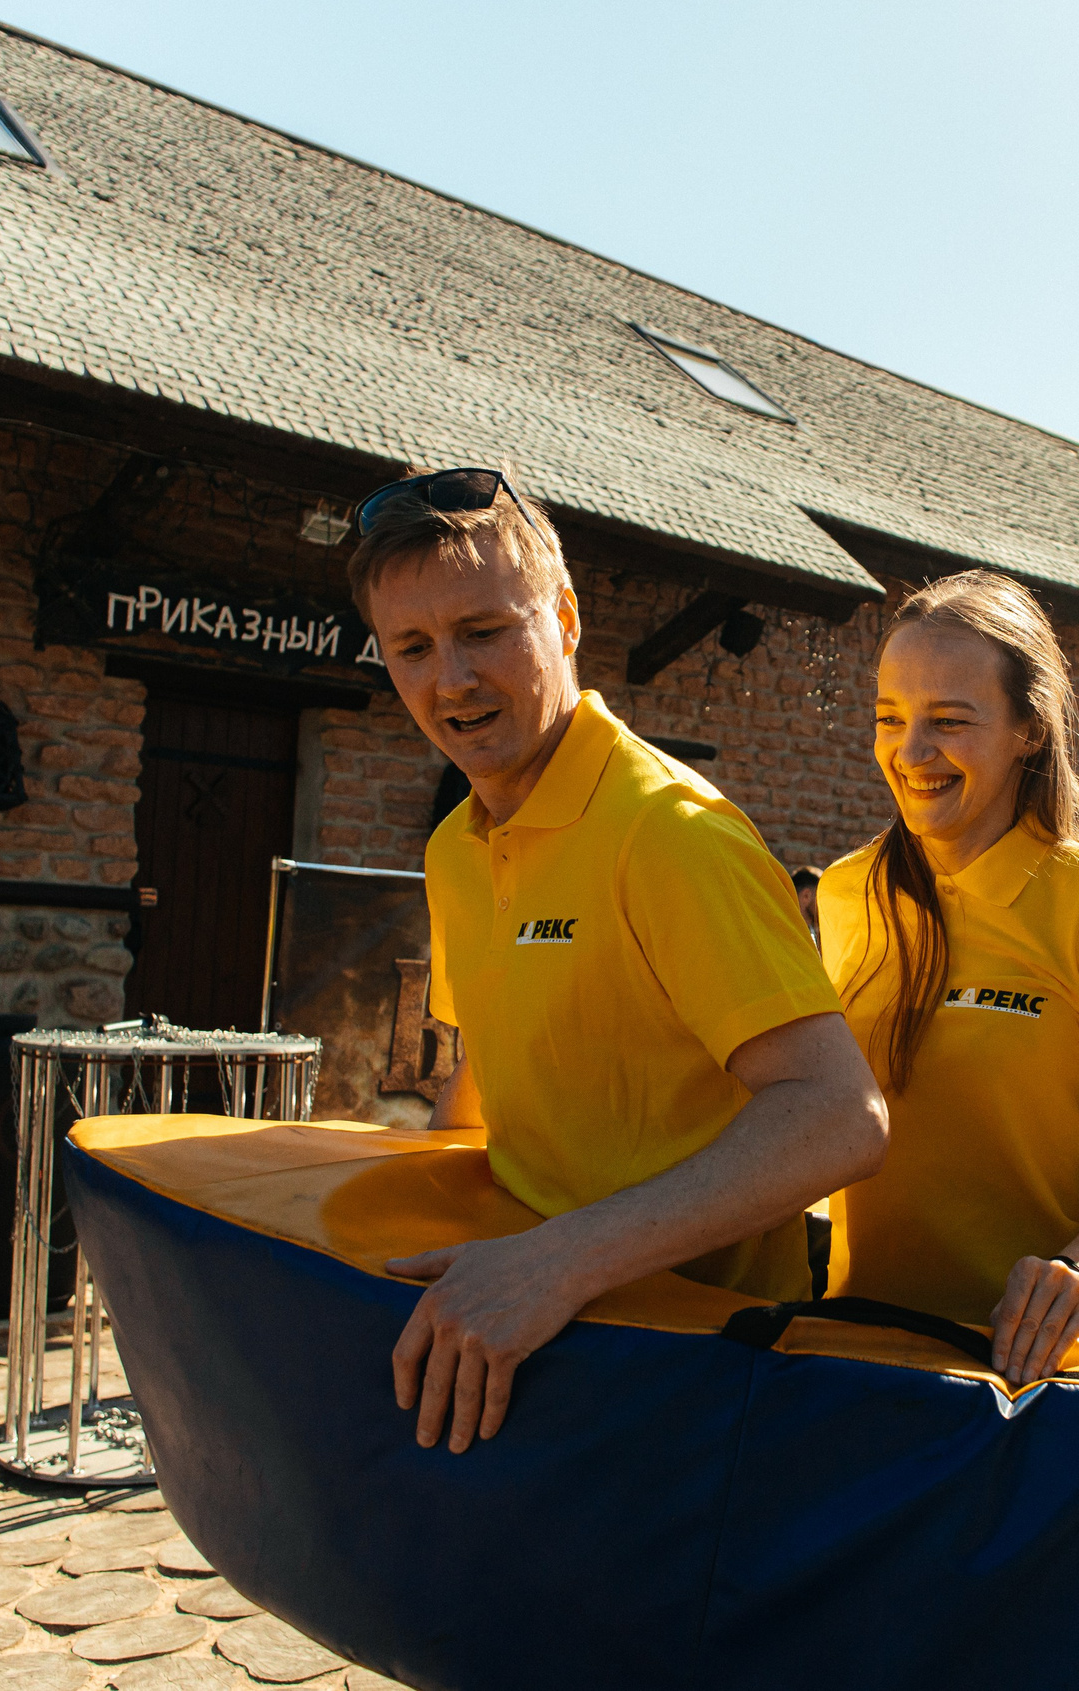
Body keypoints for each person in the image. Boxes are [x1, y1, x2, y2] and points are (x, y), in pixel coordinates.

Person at [347, 467, 888, 1454]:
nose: (451, 680)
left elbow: (839, 1118)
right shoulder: (453, 844)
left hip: (690, 1377)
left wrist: (556, 1262)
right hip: (527, 1347)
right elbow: (487, 1075)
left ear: (561, 620)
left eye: (483, 631)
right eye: (411, 648)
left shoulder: (670, 832)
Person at [818, 572, 1079, 1384]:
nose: (912, 753)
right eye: (891, 719)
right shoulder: (846, 894)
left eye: (949, 721)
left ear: (1028, 729)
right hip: (865, 1346)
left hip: (1048, 1366)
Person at [792, 864, 825, 943]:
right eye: (822, 898)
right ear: (806, 896)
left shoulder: (810, 933)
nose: (826, 908)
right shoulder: (786, 931)